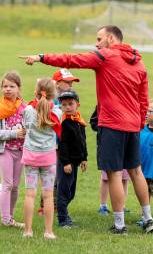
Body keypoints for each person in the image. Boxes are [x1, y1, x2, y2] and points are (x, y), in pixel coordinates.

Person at [21, 25, 153, 234]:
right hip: (132, 125)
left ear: (111, 39)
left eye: (99, 38)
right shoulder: (139, 62)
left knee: (113, 174)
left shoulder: (105, 56)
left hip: (112, 124)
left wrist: (41, 57)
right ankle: (148, 219)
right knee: (136, 171)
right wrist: (138, 124)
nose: (96, 43)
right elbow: (143, 98)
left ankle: (119, 224)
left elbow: (72, 59)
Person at [21, 78, 62, 240]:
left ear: (36, 93)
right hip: (48, 158)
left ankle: (28, 231)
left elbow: (25, 126)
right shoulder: (57, 112)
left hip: (30, 156)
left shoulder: (28, 110)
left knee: (30, 194)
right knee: (48, 195)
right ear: (54, 94)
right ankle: (48, 231)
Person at [38, 69, 80, 216]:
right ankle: (45, 206)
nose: (70, 85)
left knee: (60, 177)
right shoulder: (51, 102)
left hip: (63, 145)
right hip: (52, 145)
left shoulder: (69, 100)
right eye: (67, 82)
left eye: (72, 82)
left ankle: (55, 204)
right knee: (51, 176)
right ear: (56, 83)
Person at [0, 71, 26, 228]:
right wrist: (14, 133)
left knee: (16, 186)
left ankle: (10, 217)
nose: (8, 89)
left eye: (12, 86)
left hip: (22, 151)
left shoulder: (25, 108)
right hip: (5, 150)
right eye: (5, 86)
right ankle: (5, 220)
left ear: (18, 88)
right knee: (8, 184)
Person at [56, 90, 88, 228]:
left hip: (75, 162)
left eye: (71, 104)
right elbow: (62, 145)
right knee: (64, 191)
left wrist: (84, 158)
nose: (68, 107)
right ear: (61, 107)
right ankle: (62, 220)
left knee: (71, 192)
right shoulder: (64, 123)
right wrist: (66, 163)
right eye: (64, 105)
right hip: (66, 163)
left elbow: (83, 141)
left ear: (77, 105)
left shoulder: (79, 121)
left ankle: (64, 214)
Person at [90, 106, 130, 216]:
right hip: (108, 146)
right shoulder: (104, 103)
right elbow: (93, 122)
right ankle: (103, 206)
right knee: (106, 177)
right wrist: (104, 131)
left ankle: (122, 205)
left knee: (125, 178)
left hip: (125, 147)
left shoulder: (129, 102)